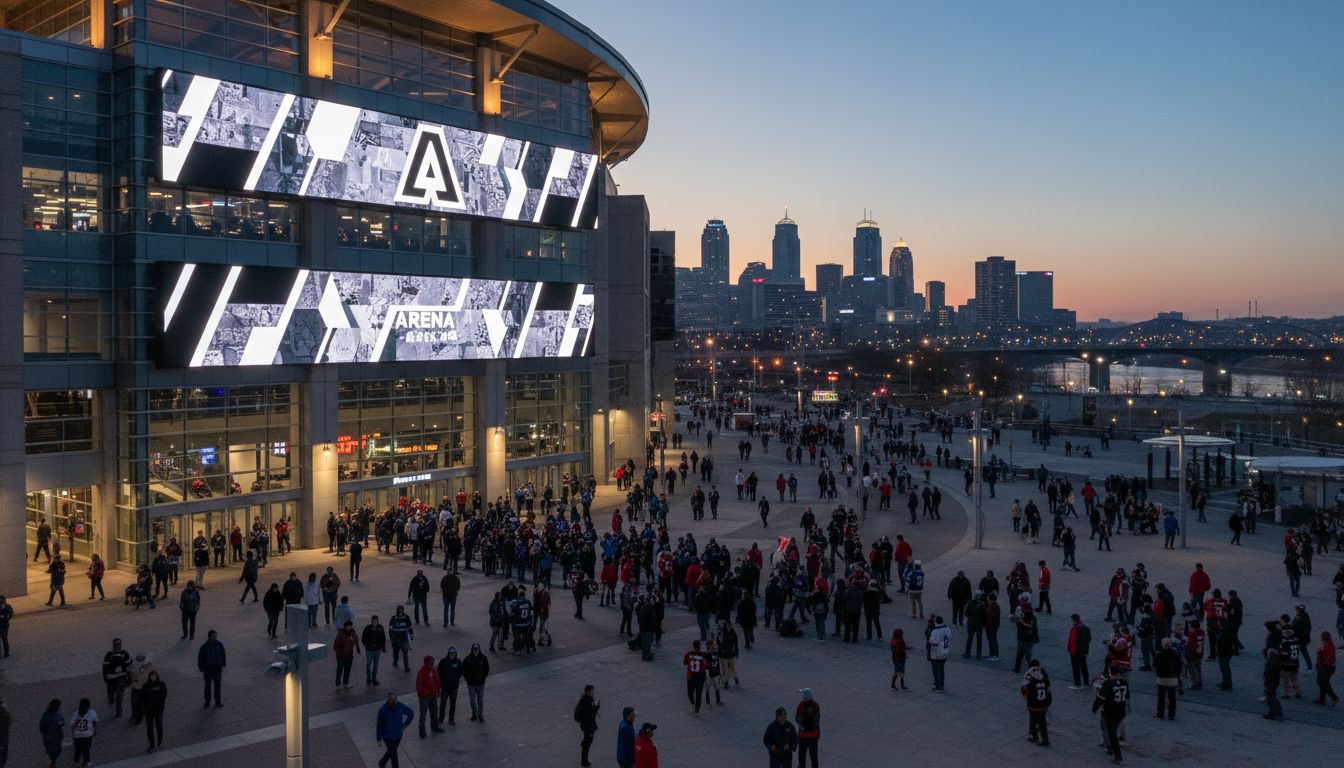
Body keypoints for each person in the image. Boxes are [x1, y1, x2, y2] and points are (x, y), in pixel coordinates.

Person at [1092, 665, 1129, 763]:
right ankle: (1113, 748)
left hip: (1110, 713)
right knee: (1113, 731)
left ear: (1110, 673)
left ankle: (1116, 754)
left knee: (1110, 733)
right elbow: (1127, 696)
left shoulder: (1108, 684)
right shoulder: (1124, 682)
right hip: (1121, 711)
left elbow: (1100, 699)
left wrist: (1094, 708)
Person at [375, 693, 414, 768]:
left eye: (395, 699)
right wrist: (378, 738)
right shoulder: (383, 710)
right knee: (394, 756)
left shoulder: (400, 706)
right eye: (391, 700)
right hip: (388, 736)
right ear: (388, 700)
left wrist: (406, 724)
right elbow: (379, 724)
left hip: (398, 735)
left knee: (391, 752)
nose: (393, 701)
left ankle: (382, 762)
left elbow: (411, 713)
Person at [1021, 660, 1051, 746]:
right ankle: (1045, 740)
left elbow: (1024, 690)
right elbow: (1048, 686)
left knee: (1033, 720)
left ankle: (1034, 737)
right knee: (1042, 722)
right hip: (1043, 702)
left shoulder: (1029, 676)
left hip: (1033, 703)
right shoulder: (1044, 675)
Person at [101, 638, 130, 718]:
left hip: (121, 677)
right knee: (110, 694)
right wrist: (105, 677)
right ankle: (111, 703)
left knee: (119, 696)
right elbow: (105, 666)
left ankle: (118, 711)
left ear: (121, 645)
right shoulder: (109, 654)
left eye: (118, 644)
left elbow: (129, 664)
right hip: (111, 679)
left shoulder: (124, 653)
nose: (117, 646)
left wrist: (129, 678)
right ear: (113, 645)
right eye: (115, 645)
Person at [197, 629, 226, 708]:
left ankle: (218, 701)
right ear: (210, 636)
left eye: (216, 635)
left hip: (217, 669)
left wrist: (223, 663)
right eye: (214, 636)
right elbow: (200, 658)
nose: (215, 637)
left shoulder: (219, 644)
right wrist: (201, 667)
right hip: (208, 670)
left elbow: (223, 653)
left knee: (217, 686)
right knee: (208, 687)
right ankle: (207, 702)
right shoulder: (204, 647)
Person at [414, 655, 442, 737]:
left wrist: (438, 690)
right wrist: (427, 692)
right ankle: (422, 731)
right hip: (424, 697)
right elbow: (419, 686)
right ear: (425, 663)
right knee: (423, 714)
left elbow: (437, 680)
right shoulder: (421, 672)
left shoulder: (433, 670)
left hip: (433, 695)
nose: (430, 664)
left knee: (434, 712)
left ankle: (434, 727)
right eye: (428, 663)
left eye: (431, 662)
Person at [1154, 638, 1181, 719]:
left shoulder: (1159, 654)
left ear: (1162, 645)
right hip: (1172, 678)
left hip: (1161, 678)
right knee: (1172, 697)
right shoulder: (1175, 654)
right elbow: (1179, 666)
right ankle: (1171, 714)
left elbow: (1155, 665)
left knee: (1161, 697)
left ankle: (1160, 713)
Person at [141, 670, 168, 752]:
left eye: (155, 676)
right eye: (152, 676)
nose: (153, 677)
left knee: (159, 726)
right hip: (148, 710)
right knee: (150, 728)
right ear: (149, 677)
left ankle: (159, 740)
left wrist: (160, 703)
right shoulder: (146, 686)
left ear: (157, 676)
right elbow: (143, 698)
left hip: (158, 709)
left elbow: (164, 695)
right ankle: (151, 744)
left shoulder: (161, 684)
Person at [574, 684, 601, 767]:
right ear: (588, 692)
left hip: (588, 726)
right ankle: (584, 762)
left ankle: (584, 745)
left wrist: (596, 706)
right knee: (587, 743)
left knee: (588, 740)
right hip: (588, 726)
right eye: (592, 691)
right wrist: (596, 708)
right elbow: (588, 715)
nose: (593, 693)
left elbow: (590, 712)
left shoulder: (587, 700)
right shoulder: (586, 702)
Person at [462, 643, 490, 721]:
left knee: (480, 700)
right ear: (472, 650)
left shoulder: (483, 658)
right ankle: (474, 713)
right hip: (471, 684)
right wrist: (467, 679)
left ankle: (480, 714)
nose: (475, 651)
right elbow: (463, 670)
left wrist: (483, 678)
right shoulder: (467, 659)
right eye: (474, 649)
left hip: (481, 684)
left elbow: (487, 669)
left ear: (479, 649)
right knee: (472, 701)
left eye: (477, 649)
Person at [795, 689, 821, 768]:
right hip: (813, 736)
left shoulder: (801, 705)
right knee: (813, 756)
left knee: (802, 756)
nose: (802, 697)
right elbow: (817, 720)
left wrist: (803, 727)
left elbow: (797, 719)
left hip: (804, 736)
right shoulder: (816, 705)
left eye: (803, 695)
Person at [68, 697, 97, 766]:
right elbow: (94, 723)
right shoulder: (92, 713)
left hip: (77, 735)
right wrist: (94, 730)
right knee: (86, 749)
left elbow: (72, 727)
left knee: (78, 750)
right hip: (88, 735)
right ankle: (86, 761)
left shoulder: (76, 713)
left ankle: (76, 762)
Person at [683, 639, 708, 716]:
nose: (697, 649)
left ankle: (697, 710)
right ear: (693, 647)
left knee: (698, 694)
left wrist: (703, 661)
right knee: (690, 693)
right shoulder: (688, 654)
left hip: (700, 677)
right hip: (691, 677)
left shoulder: (703, 655)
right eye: (695, 648)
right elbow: (684, 662)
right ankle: (693, 704)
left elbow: (707, 665)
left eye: (698, 648)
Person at [334, 621, 361, 688]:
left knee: (347, 670)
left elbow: (356, 641)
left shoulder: (353, 633)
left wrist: (358, 649)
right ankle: (338, 684)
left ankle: (345, 683)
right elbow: (335, 645)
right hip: (341, 656)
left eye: (350, 626)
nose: (349, 627)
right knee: (339, 670)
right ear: (345, 626)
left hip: (349, 655)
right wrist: (339, 654)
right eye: (347, 626)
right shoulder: (341, 634)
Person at [1067, 614, 1092, 689]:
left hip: (1076, 652)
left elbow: (1073, 641)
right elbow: (1089, 639)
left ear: (1073, 620)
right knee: (1084, 667)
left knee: (1076, 668)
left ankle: (1077, 684)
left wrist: (1071, 650)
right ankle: (1086, 683)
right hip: (1083, 651)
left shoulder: (1075, 628)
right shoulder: (1086, 627)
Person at [1315, 631, 1339, 705]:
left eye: (1322, 636)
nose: (1321, 637)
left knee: (1321, 681)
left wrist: (1320, 664)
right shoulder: (1326, 643)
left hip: (1327, 667)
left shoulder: (1329, 645)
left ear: (1325, 637)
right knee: (1324, 682)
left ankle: (1334, 697)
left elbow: (1327, 657)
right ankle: (1322, 700)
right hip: (1327, 666)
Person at [928, 615, 951, 691]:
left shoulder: (935, 631)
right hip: (945, 651)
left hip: (937, 653)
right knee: (941, 669)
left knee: (937, 670)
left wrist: (930, 639)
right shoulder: (947, 629)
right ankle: (941, 685)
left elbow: (934, 641)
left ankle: (938, 686)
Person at [39, 699, 64, 768]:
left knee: (58, 750)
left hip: (57, 736)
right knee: (51, 751)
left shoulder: (58, 714)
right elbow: (42, 727)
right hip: (50, 738)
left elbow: (62, 722)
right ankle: (51, 764)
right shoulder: (46, 716)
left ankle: (52, 762)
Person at [363, 616, 386, 686]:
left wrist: (383, 647)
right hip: (369, 649)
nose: (375, 622)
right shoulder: (368, 628)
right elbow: (363, 637)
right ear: (371, 621)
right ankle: (368, 678)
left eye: (376, 621)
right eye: (374, 621)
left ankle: (374, 678)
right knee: (369, 664)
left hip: (377, 649)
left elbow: (383, 638)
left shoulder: (380, 627)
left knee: (376, 664)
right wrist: (367, 644)